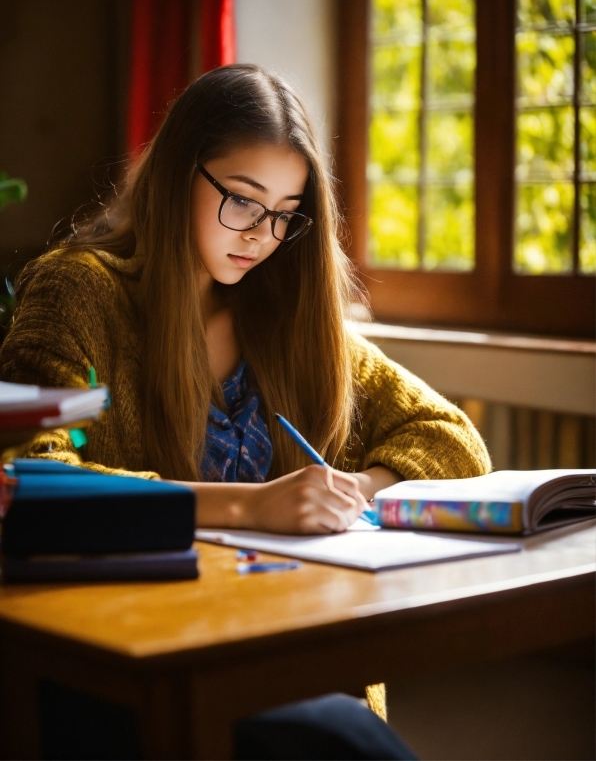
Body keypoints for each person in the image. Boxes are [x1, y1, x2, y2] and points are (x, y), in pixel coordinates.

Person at [0, 64, 490, 741]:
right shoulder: (78, 292)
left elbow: (451, 435)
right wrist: (252, 506)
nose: (262, 234)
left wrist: (352, 490)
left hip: (286, 641)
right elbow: (30, 481)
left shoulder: (281, 315)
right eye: (242, 200)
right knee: (340, 739)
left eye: (286, 214)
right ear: (179, 173)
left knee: (339, 729)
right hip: (140, 657)